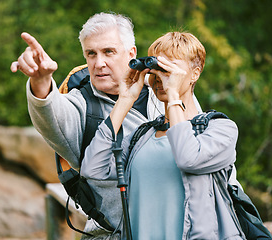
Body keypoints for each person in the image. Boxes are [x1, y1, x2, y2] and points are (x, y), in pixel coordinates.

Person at [10, 12, 201, 239]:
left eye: (108, 51)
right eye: (91, 53)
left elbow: (201, 152)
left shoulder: (163, 91)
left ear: (131, 53)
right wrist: (40, 83)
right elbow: (52, 118)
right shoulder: (82, 106)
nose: (98, 63)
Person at [81, 31, 244, 239]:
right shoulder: (142, 137)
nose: (160, 77)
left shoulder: (220, 129)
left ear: (195, 73)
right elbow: (92, 169)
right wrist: (124, 100)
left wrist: (173, 94)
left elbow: (188, 158)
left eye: (169, 69)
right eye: (157, 69)